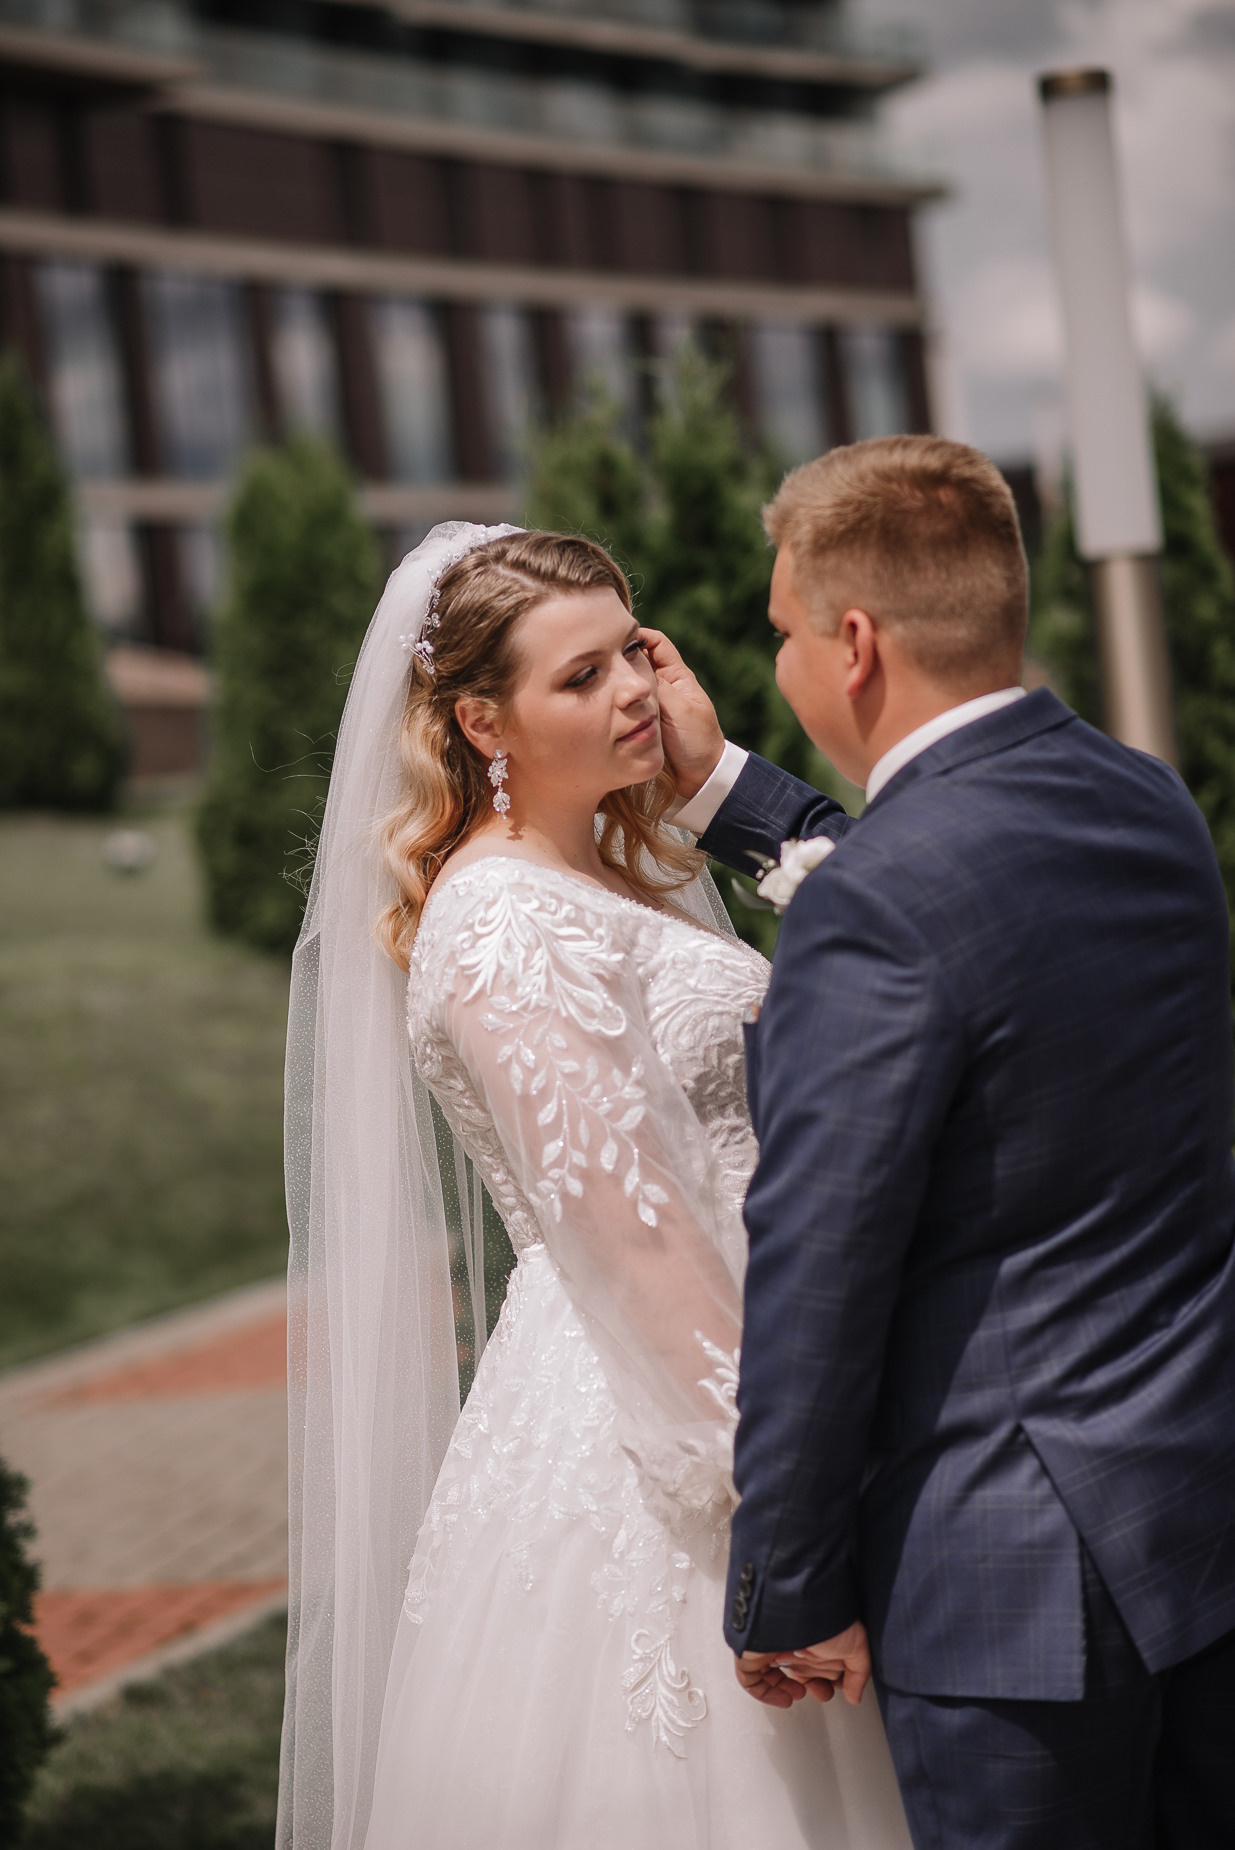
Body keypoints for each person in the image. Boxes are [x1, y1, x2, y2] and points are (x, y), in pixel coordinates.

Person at [277, 522, 912, 1850]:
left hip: (772, 1373)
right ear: (479, 719)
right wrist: (778, 1524)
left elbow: (907, 950)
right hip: (669, 1439)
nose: (633, 687)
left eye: (633, 648)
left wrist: (709, 792)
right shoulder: (505, 921)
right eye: (581, 676)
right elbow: (637, 1240)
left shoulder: (630, 869)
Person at [651, 435, 1235, 1850]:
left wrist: (787, 1583)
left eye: (783, 631)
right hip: (1199, 1529)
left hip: (1011, 1596)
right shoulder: (1147, 801)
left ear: (852, 644)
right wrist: (728, 781)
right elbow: (955, 890)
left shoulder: (884, 906)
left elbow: (823, 1267)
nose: (777, 661)